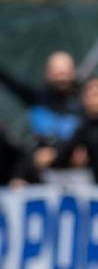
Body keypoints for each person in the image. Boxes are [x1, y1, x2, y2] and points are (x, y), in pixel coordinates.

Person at [0, 50, 83, 183]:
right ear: (47, 74)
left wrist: (61, 152)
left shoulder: (84, 101)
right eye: (57, 73)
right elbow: (10, 81)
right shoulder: (37, 98)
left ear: (73, 72)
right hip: (39, 173)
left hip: (77, 172)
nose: (61, 78)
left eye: (65, 73)